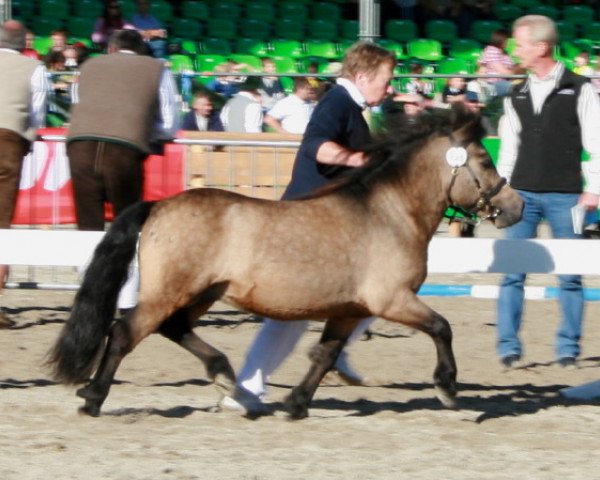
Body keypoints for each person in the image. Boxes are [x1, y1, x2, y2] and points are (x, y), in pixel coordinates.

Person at [220, 41, 396, 414]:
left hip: (323, 223)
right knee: (294, 314)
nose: (390, 86)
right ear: (363, 76)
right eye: (386, 78)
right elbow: (316, 147)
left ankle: (256, 385)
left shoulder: (351, 106)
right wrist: (363, 160)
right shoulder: (337, 103)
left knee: (350, 300)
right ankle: (256, 385)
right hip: (307, 223)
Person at [495, 15, 600, 370]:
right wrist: (502, 191)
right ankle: (508, 346)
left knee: (570, 276)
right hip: (521, 195)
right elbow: (509, 148)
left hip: (567, 196)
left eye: (519, 44)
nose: (514, 50)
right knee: (512, 273)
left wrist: (594, 190)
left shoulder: (581, 88)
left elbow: (597, 143)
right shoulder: (515, 93)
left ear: (541, 47)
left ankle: (568, 348)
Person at [66, 29, 179, 233]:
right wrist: (148, 133)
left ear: (111, 49)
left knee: (88, 222)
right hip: (125, 147)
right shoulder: (157, 68)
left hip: (80, 145)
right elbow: (169, 122)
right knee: (126, 222)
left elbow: (76, 101)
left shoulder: (88, 66)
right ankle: (124, 263)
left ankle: (86, 264)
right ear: (142, 50)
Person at [0, 20, 49, 327]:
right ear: (24, 42)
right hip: (7, 143)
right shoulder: (34, 68)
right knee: (1, 225)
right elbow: (38, 113)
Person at [478, 29, 517, 98]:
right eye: (508, 39)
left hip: (505, 82)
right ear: (501, 39)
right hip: (492, 83)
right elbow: (505, 72)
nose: (509, 42)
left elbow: (513, 70)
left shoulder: (506, 53)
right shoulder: (491, 50)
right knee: (517, 88)